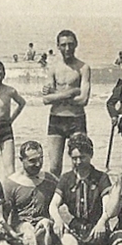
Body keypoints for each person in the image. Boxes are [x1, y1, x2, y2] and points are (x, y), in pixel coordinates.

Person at [49, 133, 112, 245]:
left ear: (91, 155)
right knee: (65, 239)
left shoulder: (101, 178)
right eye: (74, 158)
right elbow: (53, 205)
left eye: (82, 157)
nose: (78, 162)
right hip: (75, 228)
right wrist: (58, 220)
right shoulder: (66, 178)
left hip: (97, 227)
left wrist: (102, 222)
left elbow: (108, 207)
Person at [42, 29, 91, 175]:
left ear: (76, 44)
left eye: (70, 44)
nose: (67, 48)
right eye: (63, 45)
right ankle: (56, 197)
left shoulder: (83, 68)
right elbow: (45, 99)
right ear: (58, 46)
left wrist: (56, 96)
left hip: (76, 119)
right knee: (54, 167)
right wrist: (70, 93)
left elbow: (83, 100)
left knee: (79, 164)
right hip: (56, 119)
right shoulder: (53, 68)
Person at [3, 140, 59, 245]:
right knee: (27, 228)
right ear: (21, 160)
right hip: (21, 225)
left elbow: (63, 201)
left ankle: (38, 242)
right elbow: (3, 217)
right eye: (32, 161)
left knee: (44, 224)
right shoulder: (11, 183)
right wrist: (10, 234)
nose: (38, 164)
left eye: (40, 159)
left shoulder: (50, 180)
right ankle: (33, 244)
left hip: (43, 222)